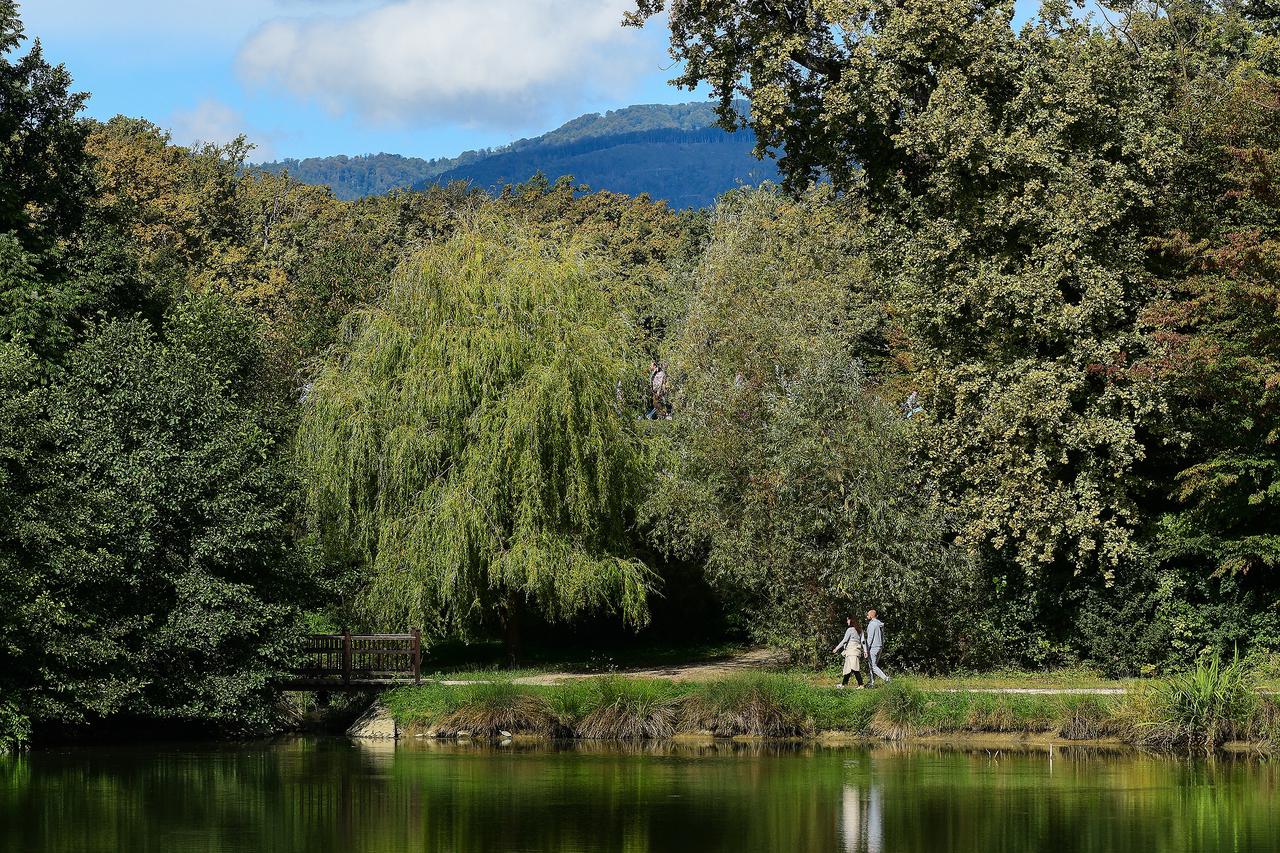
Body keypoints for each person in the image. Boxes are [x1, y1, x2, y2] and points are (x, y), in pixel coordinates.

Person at [832, 616, 864, 688]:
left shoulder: (850, 630)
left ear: (851, 620)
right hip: (856, 651)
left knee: (854, 669)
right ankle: (844, 684)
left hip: (851, 651)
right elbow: (863, 641)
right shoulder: (860, 630)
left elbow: (844, 640)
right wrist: (865, 651)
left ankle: (861, 684)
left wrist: (836, 648)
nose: (847, 622)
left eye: (848, 620)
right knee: (849, 668)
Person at [863, 610, 890, 686]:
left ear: (871, 616)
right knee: (872, 665)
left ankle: (886, 679)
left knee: (873, 666)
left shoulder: (872, 624)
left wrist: (866, 649)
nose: (867, 616)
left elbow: (870, 638)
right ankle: (871, 682)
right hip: (880, 646)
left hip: (873, 647)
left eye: (868, 615)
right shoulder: (879, 624)